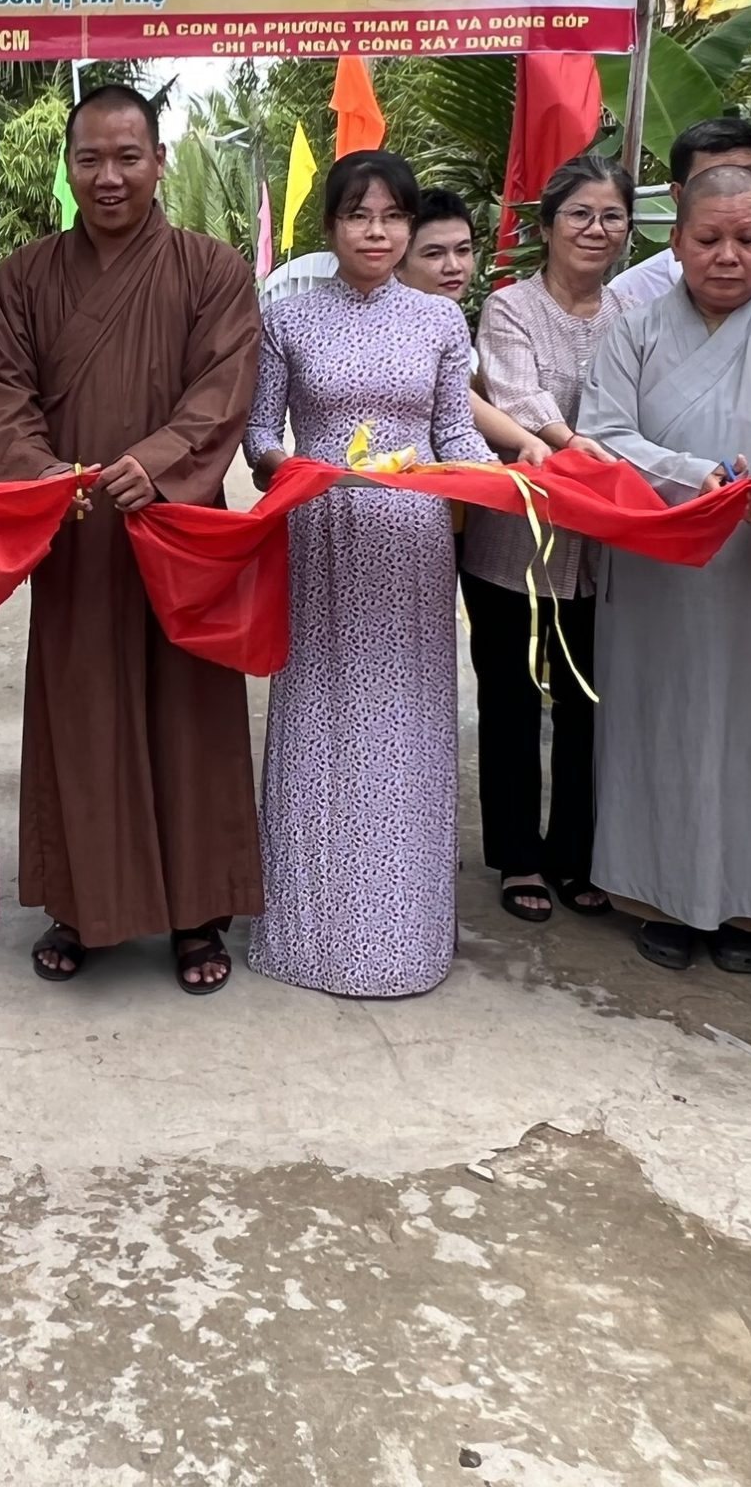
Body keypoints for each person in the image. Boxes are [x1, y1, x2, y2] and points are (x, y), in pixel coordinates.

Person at [0, 84, 263, 995]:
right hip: (78, 531)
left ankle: (197, 911)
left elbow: (225, 386)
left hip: (176, 530)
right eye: (89, 158)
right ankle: (82, 905)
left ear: (158, 161)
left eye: (128, 156)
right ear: (68, 166)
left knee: (188, 714)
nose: (109, 176)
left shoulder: (212, 269)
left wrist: (160, 461)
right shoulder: (25, 278)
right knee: (83, 712)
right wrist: (43, 475)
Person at [577, 165, 751, 973]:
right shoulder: (634, 330)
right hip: (659, 564)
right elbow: (603, 435)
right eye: (707, 238)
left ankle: (749, 905)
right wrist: (689, 476)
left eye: (746, 237)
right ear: (675, 243)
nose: (727, 255)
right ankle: (657, 896)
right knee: (655, 720)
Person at [244, 152, 491, 996]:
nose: (376, 232)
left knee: (406, 721)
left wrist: (507, 477)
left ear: (410, 227)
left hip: (411, 540)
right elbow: (259, 434)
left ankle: (404, 937)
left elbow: (456, 434)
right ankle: (310, 936)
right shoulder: (289, 317)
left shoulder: (440, 323)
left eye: (392, 216)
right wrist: (293, 468)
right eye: (359, 215)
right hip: (322, 529)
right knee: (321, 715)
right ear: (331, 227)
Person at [462, 155, 632, 925]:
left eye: (612, 216)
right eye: (580, 215)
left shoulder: (632, 315)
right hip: (514, 546)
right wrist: (569, 442)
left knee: (588, 704)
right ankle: (517, 857)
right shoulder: (511, 307)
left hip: (603, 549)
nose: (597, 229)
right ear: (548, 226)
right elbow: (515, 395)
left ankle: (575, 853)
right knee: (511, 700)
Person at [605, 118, 751, 328]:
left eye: (745, 177)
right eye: (711, 181)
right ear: (679, 195)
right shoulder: (632, 292)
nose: (728, 257)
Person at [394, 187, 557, 465]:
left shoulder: (451, 327)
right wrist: (527, 441)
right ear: (396, 262)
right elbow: (460, 397)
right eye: (433, 254)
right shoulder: (394, 332)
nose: (453, 266)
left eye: (463, 250)